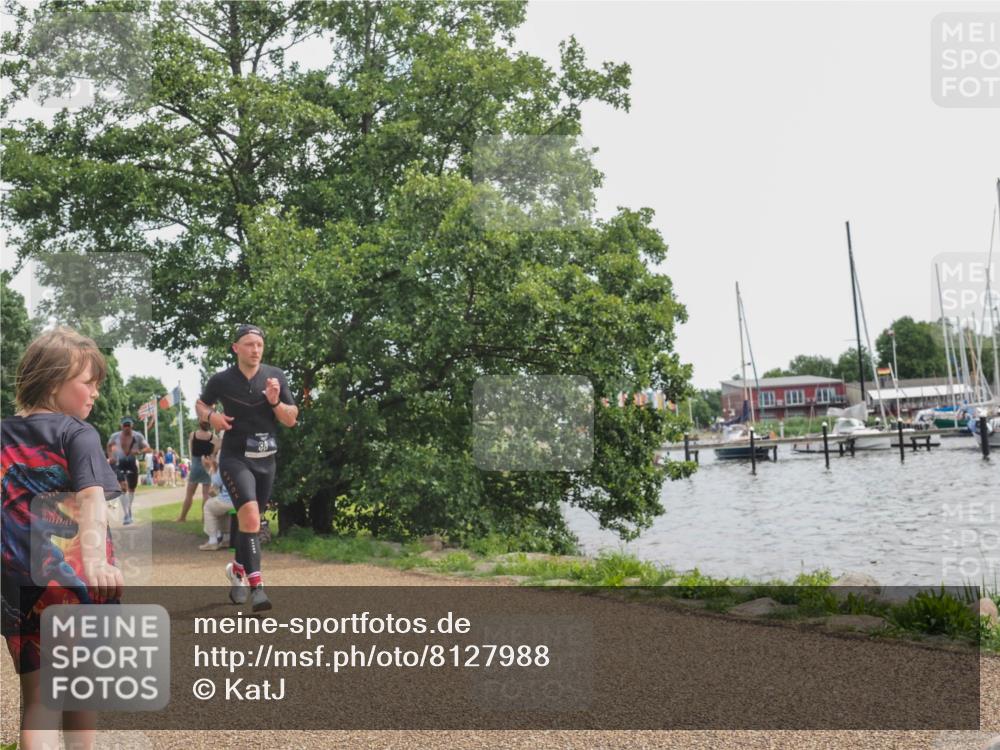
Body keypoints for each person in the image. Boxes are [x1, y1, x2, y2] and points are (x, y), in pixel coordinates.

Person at [1, 326, 124, 750]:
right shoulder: (78, 434)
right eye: (87, 383)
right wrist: (93, 562)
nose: (95, 394)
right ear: (55, 382)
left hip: (14, 583)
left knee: (38, 701)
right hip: (69, 581)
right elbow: (91, 498)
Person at [196, 324, 298, 612]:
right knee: (251, 518)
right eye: (249, 344)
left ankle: (237, 570)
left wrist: (275, 402)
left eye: (259, 345)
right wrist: (211, 417)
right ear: (236, 348)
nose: (255, 349)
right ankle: (258, 589)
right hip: (235, 458)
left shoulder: (275, 376)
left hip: (267, 460)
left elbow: (291, 419)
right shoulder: (222, 380)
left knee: (249, 523)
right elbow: (201, 405)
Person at [106, 416, 150, 525]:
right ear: (121, 426)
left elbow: (148, 448)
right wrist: (111, 456)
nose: (126, 428)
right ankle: (126, 514)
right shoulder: (115, 436)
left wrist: (139, 451)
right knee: (123, 487)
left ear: (132, 426)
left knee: (131, 489)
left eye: (128, 425)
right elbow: (109, 445)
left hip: (131, 463)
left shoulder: (137, 436)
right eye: (125, 425)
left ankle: (129, 509)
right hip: (119, 464)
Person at [177, 422, 220, 522]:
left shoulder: (193, 434)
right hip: (207, 465)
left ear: (200, 424)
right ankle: (204, 518)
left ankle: (182, 517)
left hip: (196, 465)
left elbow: (191, 450)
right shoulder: (213, 436)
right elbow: (215, 451)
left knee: (189, 494)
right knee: (206, 495)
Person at [199, 456, 234, 551]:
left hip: (229, 501)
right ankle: (227, 538)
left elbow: (216, 483)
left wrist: (211, 467)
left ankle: (212, 541)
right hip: (240, 501)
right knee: (220, 509)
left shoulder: (223, 465)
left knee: (208, 506)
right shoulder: (237, 462)